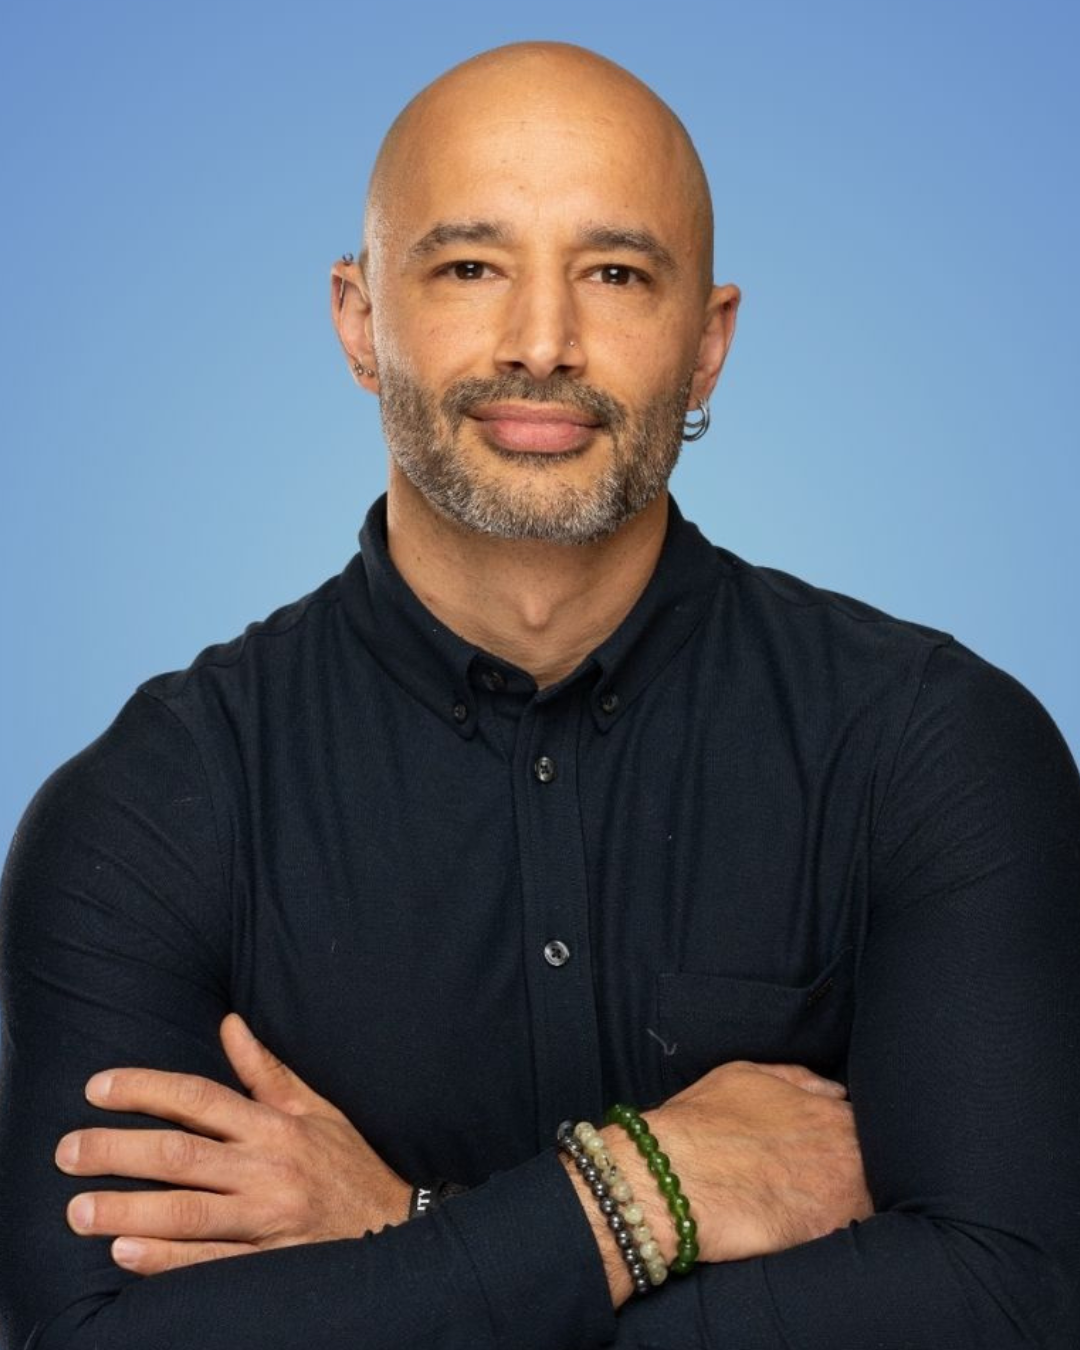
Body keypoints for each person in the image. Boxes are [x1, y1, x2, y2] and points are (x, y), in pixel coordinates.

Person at [1, 39, 1078, 1350]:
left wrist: (402, 1233)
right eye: (470, 267)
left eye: (615, 274)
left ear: (708, 344)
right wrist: (628, 1199)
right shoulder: (147, 810)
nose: (543, 344)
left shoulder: (936, 750)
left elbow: (1012, 1305)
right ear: (358, 319)